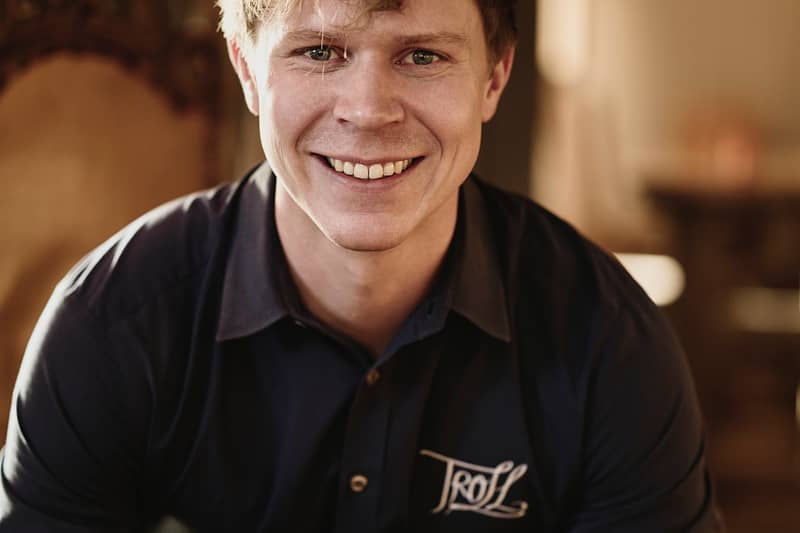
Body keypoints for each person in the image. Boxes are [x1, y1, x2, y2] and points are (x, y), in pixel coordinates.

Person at [0, 0, 722, 531]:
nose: (369, 110)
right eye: (320, 51)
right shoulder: (109, 324)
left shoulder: (610, 342)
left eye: (423, 56)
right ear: (247, 69)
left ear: (495, 78)